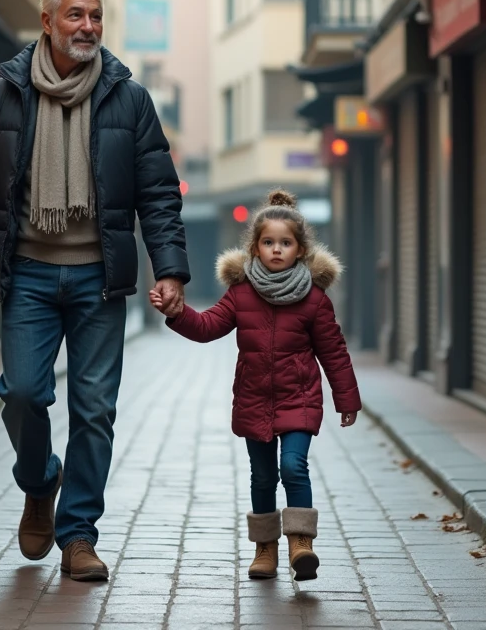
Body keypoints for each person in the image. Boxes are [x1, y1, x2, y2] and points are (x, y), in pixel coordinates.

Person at [0, 0, 189, 582]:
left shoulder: (128, 97)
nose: (88, 27)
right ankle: (39, 482)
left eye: (97, 16)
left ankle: (78, 534)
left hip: (98, 278)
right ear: (47, 21)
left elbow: (159, 193)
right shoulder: (4, 92)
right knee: (24, 394)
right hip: (26, 271)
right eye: (76, 15)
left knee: (95, 409)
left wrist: (171, 270)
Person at [150, 188, 361, 581]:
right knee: (262, 476)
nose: (276, 249)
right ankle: (265, 548)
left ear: (300, 249)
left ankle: (301, 542)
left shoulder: (314, 300)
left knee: (293, 466)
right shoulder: (241, 294)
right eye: (268, 242)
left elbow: (334, 352)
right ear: (255, 248)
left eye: (285, 243)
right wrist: (178, 314)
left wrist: (346, 398)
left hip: (299, 398)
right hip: (254, 399)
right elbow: (209, 326)